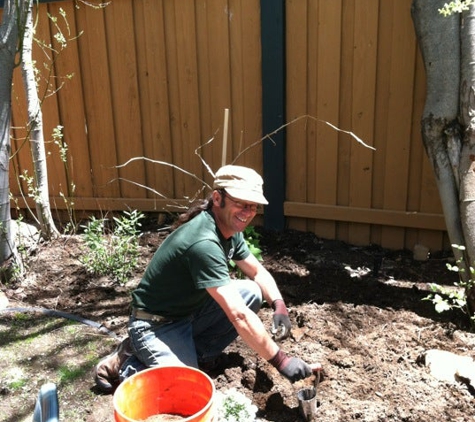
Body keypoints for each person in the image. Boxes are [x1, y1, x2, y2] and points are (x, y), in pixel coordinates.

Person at [94, 165, 320, 393]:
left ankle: (197, 355)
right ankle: (128, 361)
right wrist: (281, 361)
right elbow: (239, 316)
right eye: (240, 203)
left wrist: (279, 306)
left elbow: (257, 272)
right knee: (188, 387)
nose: (248, 211)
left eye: (253, 206)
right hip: (155, 325)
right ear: (217, 198)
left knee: (251, 292)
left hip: (188, 312)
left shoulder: (229, 229)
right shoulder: (203, 243)